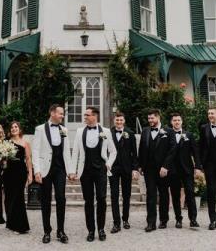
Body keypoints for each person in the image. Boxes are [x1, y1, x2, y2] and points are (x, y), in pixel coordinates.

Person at [70, 107, 117, 242]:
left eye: (87, 115)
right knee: (88, 201)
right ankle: (91, 230)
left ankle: (101, 229)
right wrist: (73, 170)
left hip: (101, 170)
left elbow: (113, 151)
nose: (84, 117)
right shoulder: (79, 132)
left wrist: (109, 163)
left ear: (94, 116)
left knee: (102, 199)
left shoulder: (106, 131)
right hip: (85, 171)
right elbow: (76, 153)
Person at [32, 104, 73, 244]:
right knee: (46, 200)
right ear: (52, 113)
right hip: (45, 169)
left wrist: (70, 171)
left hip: (60, 169)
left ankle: (61, 231)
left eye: (62, 114)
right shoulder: (40, 129)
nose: (62, 116)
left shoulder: (64, 130)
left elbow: (67, 151)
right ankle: (46, 231)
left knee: (61, 198)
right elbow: (35, 151)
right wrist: (36, 170)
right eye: (61, 113)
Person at [160, 113, 202, 229]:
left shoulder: (189, 135)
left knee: (190, 193)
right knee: (175, 195)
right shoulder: (167, 135)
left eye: (178, 120)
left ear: (182, 122)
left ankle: (193, 219)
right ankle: (179, 219)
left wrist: (198, 167)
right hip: (173, 170)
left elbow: (195, 152)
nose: (177, 122)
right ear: (171, 122)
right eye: (174, 120)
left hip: (187, 169)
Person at [138, 109, 173, 232]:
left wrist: (166, 166)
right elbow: (141, 148)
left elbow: (171, 150)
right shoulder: (145, 131)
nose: (150, 121)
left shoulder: (168, 131)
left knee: (163, 194)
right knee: (150, 195)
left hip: (162, 169)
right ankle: (151, 223)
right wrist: (140, 165)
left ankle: (163, 220)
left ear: (158, 117)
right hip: (149, 169)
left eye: (152, 118)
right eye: (148, 118)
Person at [108, 112, 139, 233]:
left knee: (127, 195)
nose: (119, 122)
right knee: (114, 196)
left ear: (124, 121)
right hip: (113, 168)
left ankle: (125, 219)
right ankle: (116, 223)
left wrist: (135, 169)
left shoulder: (130, 133)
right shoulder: (108, 133)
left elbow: (134, 153)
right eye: (117, 120)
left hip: (126, 168)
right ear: (114, 120)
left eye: (121, 120)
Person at [3, 121, 32, 234]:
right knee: (9, 197)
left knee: (18, 197)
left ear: (20, 129)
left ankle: (21, 226)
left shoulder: (25, 143)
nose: (14, 128)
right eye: (12, 127)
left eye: (16, 127)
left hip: (20, 172)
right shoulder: (6, 142)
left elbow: (28, 159)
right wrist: (3, 159)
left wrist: (30, 174)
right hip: (8, 172)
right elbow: (3, 160)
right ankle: (11, 222)